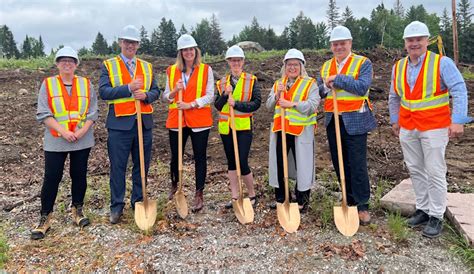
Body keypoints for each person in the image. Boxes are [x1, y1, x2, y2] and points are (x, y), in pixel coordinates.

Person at [389, 21, 469, 238]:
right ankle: (423, 209)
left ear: (427, 40)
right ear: (405, 43)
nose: (414, 43)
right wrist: (395, 120)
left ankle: (436, 215)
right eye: (410, 40)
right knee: (415, 168)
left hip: (434, 126)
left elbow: (459, 90)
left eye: (419, 39)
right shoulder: (399, 66)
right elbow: (394, 96)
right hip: (408, 125)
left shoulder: (441, 63)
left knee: (434, 170)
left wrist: (458, 120)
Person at [32, 46, 98, 240]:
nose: (67, 64)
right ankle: (45, 217)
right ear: (57, 64)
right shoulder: (48, 84)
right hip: (56, 139)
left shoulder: (86, 84)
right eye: (63, 61)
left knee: (79, 174)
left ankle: (78, 209)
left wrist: (82, 131)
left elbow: (93, 112)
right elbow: (43, 113)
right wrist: (64, 132)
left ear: (76, 64)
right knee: (52, 176)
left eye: (71, 61)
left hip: (81, 138)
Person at [99, 25, 160, 224]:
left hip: (144, 123)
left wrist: (146, 96)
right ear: (120, 43)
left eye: (133, 42)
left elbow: (156, 91)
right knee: (118, 166)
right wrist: (128, 88)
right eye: (127, 42)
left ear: (138, 45)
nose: (130, 45)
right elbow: (104, 92)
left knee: (142, 166)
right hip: (120, 125)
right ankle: (116, 206)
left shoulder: (147, 66)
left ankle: (138, 201)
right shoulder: (109, 65)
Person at [317, 26, 376, 225]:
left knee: (357, 163)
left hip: (356, 120)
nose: (339, 47)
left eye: (343, 43)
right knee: (338, 161)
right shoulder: (326, 66)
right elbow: (319, 91)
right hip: (333, 119)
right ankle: (348, 200)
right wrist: (325, 86)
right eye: (335, 44)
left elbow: (361, 88)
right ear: (331, 46)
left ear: (350, 43)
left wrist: (338, 79)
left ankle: (362, 205)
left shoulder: (363, 63)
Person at [163, 34, 214, 212]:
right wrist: (174, 91)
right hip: (177, 120)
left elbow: (210, 95)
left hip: (199, 120)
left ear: (196, 51)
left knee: (200, 157)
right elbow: (166, 96)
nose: (188, 52)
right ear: (181, 52)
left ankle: (199, 193)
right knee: (176, 156)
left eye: (191, 49)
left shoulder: (206, 70)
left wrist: (191, 104)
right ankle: (175, 186)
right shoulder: (171, 71)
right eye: (185, 50)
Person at [266, 49, 320, 212]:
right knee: (280, 164)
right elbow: (268, 106)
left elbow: (313, 105)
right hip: (280, 130)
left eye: (296, 64)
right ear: (285, 66)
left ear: (301, 66)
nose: (292, 68)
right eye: (289, 64)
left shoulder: (310, 83)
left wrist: (293, 104)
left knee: (302, 165)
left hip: (300, 131)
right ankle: (281, 198)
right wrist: (277, 95)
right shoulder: (278, 84)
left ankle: (302, 200)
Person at [214, 45, 261, 209]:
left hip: (243, 127)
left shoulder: (252, 80)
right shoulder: (221, 83)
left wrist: (237, 104)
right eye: (233, 60)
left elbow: (256, 103)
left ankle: (252, 193)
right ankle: (235, 196)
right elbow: (218, 106)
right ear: (228, 62)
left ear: (243, 62)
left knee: (242, 161)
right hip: (226, 128)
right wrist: (225, 95)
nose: (236, 63)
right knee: (232, 162)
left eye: (238, 60)